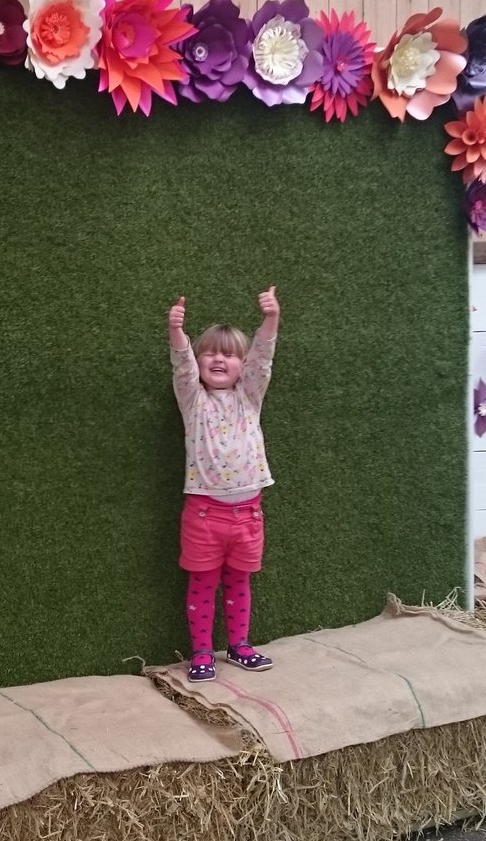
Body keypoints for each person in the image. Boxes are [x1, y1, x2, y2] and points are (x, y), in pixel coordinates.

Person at [166, 287, 280, 681]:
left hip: (248, 514)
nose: (218, 358)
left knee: (239, 582)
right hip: (203, 514)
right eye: (210, 352)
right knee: (203, 585)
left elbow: (263, 359)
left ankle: (239, 645)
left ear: (242, 365)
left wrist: (270, 319)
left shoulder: (250, 396)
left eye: (229, 354)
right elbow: (181, 365)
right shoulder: (192, 399)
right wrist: (176, 331)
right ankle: (201, 652)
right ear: (198, 362)